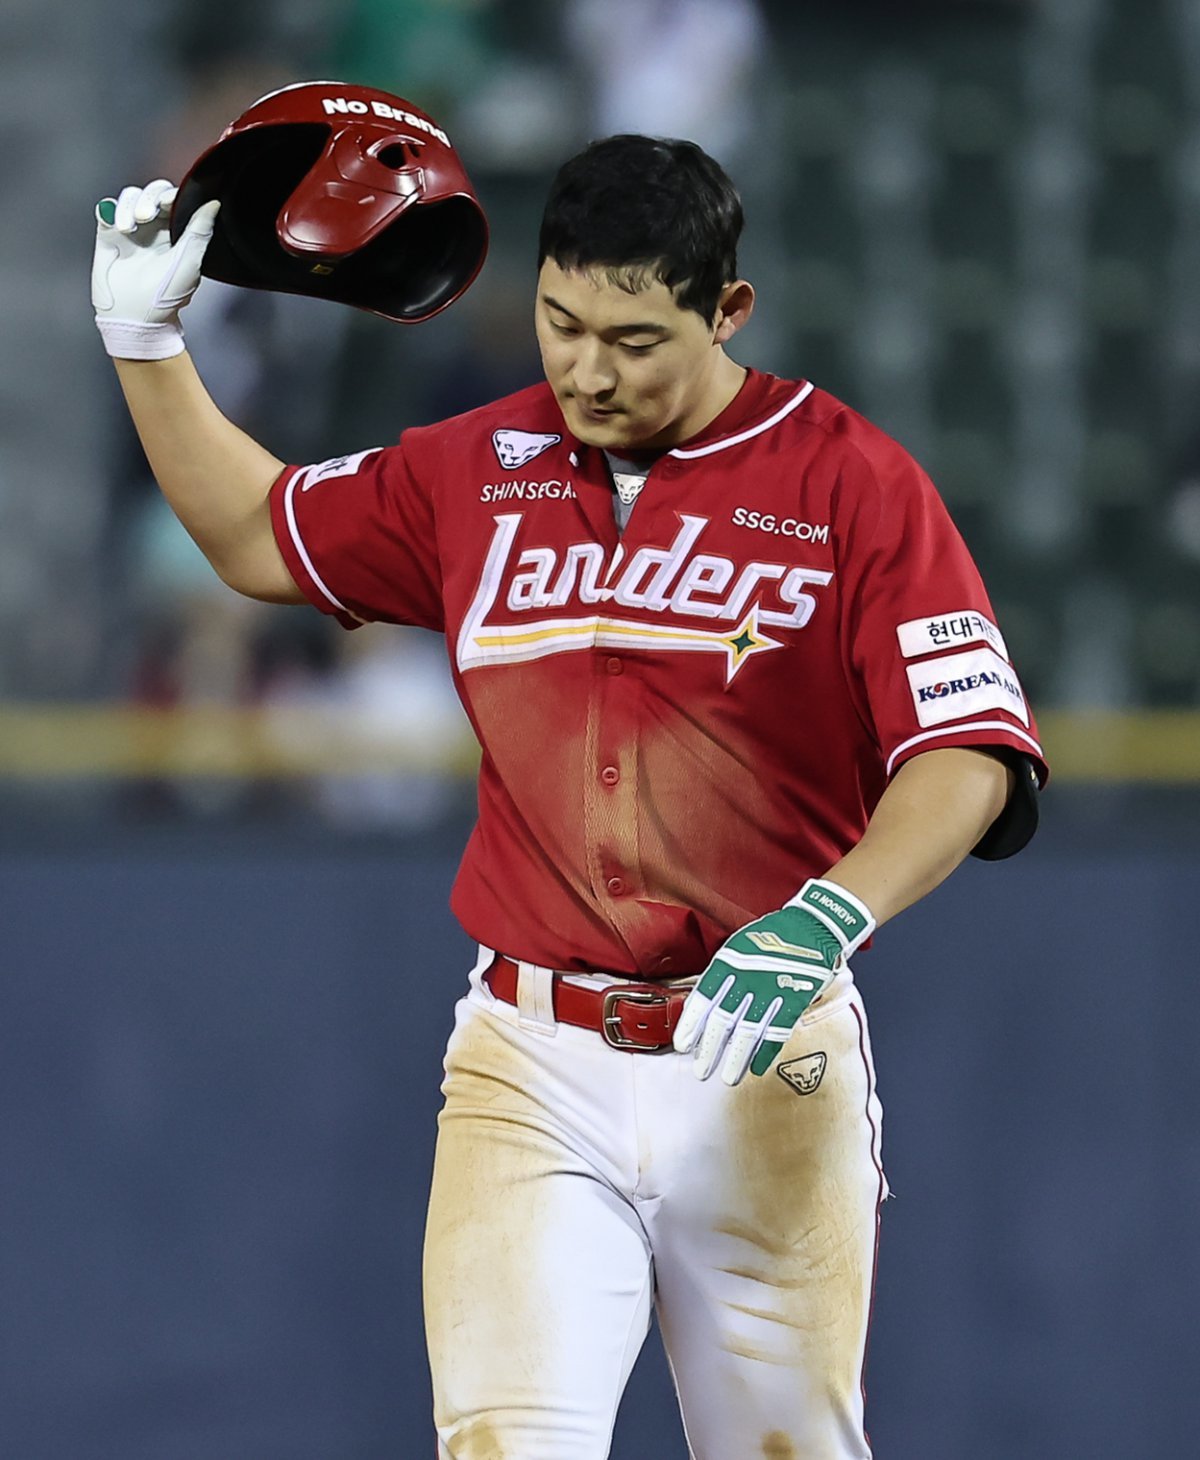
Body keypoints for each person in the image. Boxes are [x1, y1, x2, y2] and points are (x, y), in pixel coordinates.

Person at [93, 130, 1047, 1459]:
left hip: (764, 1051)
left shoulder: (851, 483)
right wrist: (148, 348)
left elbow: (970, 754)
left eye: (636, 339)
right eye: (561, 322)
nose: (589, 370)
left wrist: (829, 916)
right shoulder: (474, 467)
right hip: (530, 1057)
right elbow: (258, 533)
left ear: (728, 312)